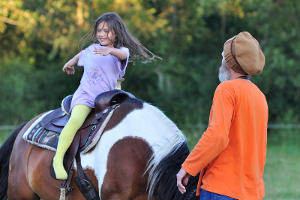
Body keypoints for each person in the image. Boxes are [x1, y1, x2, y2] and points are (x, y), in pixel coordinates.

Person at [53, 12, 158, 180]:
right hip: (86, 96)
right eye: (99, 30)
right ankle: (58, 159)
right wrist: (70, 63)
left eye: (107, 31)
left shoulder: (121, 52)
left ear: (116, 33)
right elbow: (81, 54)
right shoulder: (91, 49)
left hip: (106, 99)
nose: (102, 34)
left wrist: (110, 51)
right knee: (75, 121)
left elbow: (123, 55)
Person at [176, 32, 268, 200]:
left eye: (223, 56)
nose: (221, 61)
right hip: (252, 193)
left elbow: (217, 136)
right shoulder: (260, 96)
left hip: (221, 190)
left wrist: (188, 167)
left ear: (229, 62)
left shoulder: (226, 89)